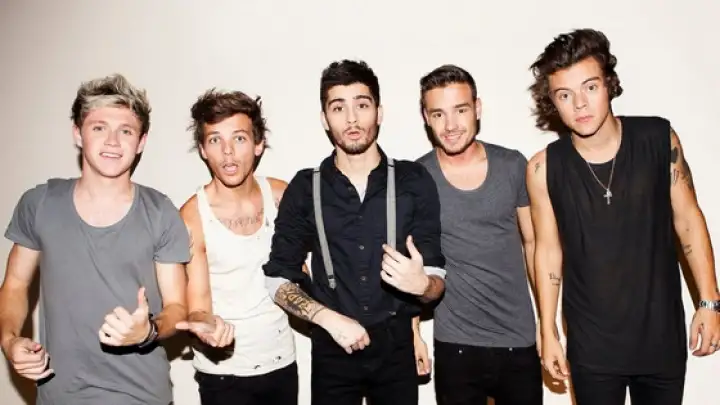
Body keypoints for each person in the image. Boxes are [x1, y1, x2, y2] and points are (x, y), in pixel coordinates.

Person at [526, 28, 720, 405]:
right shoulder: (542, 169)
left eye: (590, 87)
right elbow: (547, 250)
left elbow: (688, 220)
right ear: (552, 101)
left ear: (609, 84)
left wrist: (709, 302)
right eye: (564, 95)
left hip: (661, 337)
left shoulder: (659, 139)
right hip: (592, 345)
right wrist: (547, 328)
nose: (580, 104)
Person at [262, 59, 446, 405]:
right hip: (333, 346)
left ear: (379, 112)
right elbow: (277, 279)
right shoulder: (305, 187)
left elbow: (436, 276)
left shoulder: (413, 180)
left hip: (396, 348)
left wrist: (422, 288)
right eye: (338, 108)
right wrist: (327, 319)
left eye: (362, 105)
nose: (351, 119)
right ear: (324, 118)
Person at [0, 74, 192, 405]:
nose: (113, 141)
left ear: (141, 142)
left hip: (140, 396)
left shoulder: (161, 212)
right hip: (59, 395)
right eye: (99, 127)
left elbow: (177, 307)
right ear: (78, 133)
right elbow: (15, 285)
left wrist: (147, 331)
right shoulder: (39, 204)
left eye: (126, 131)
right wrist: (10, 340)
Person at [416, 64, 542, 405]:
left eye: (460, 110)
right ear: (426, 118)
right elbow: (413, 263)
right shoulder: (418, 177)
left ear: (477, 108)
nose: (451, 125)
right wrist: (414, 333)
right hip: (455, 343)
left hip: (517, 339)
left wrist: (547, 324)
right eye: (438, 114)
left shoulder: (513, 165)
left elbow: (534, 245)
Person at [177, 88, 299, 405]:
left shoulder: (281, 196)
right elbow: (198, 303)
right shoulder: (192, 216)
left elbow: (304, 275)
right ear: (203, 149)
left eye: (239, 138)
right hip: (224, 375)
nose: (228, 152)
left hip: (282, 362)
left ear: (258, 144)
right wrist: (205, 326)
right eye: (215, 140)